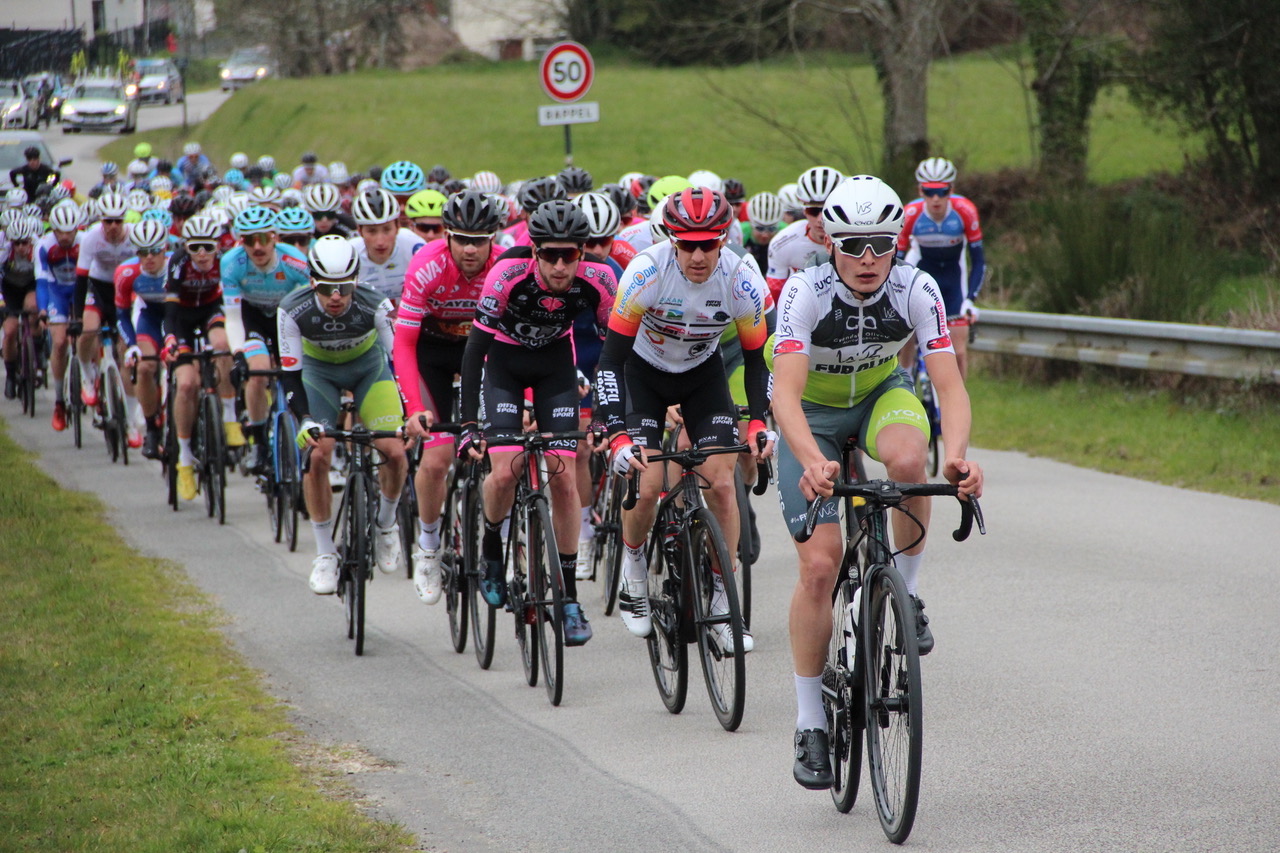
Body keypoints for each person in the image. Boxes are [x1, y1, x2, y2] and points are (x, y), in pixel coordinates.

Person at [767, 175, 983, 789]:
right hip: (811, 416)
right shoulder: (805, 291)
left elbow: (949, 386)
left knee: (912, 461)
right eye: (854, 244)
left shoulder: (917, 287)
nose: (868, 259)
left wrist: (961, 457)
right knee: (820, 566)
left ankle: (907, 593)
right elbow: (783, 396)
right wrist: (811, 459)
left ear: (896, 243)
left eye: (881, 244)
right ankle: (810, 722)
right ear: (831, 243)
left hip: (882, 396)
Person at [594, 188, 773, 652]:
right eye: (687, 244)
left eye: (708, 244)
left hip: (701, 377)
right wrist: (615, 433)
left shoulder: (741, 278)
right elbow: (610, 363)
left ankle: (719, 600)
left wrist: (757, 422)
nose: (698, 255)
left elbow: (757, 362)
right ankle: (633, 570)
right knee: (648, 484)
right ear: (672, 240)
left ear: (723, 240)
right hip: (644, 376)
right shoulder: (646, 274)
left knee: (722, 484)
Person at [457, 200, 617, 646]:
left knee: (564, 478)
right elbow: (474, 352)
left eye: (569, 254)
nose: (561, 265)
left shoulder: (601, 280)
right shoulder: (506, 275)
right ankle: (491, 548)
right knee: (504, 469)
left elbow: (612, 354)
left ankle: (567, 597)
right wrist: (469, 423)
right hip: (504, 366)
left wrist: (606, 416)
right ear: (534, 252)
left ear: (582, 252)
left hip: (554, 370)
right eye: (550, 255)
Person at [279, 236, 408, 593]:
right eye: (325, 287)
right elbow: (289, 374)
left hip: (369, 370)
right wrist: (305, 419)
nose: (335, 296)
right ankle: (325, 554)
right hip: (318, 375)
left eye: (344, 286)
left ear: (356, 279)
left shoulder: (376, 305)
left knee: (394, 450)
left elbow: (400, 362)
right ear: (311, 281)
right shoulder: (292, 308)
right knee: (318, 455)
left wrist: (411, 410)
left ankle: (385, 523)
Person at [395, 190, 505, 604]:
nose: (471, 249)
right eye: (461, 239)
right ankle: (427, 547)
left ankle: (503, 541)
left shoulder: (507, 264)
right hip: (432, 355)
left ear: (494, 237)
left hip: (487, 351)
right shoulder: (426, 265)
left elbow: (520, 343)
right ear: (447, 236)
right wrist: (414, 409)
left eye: (480, 239)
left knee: (503, 448)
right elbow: (403, 344)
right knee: (438, 456)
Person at [221, 206, 311, 473]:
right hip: (253, 318)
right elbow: (234, 317)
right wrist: (238, 354)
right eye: (249, 240)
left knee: (300, 372)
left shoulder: (294, 261)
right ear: (241, 241)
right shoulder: (231, 262)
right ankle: (259, 442)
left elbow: (312, 304)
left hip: (287, 316)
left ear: (275, 237)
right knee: (257, 372)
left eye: (263, 238)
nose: (257, 247)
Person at [161, 215, 239, 501]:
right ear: (186, 247)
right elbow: (168, 311)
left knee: (222, 344)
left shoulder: (226, 261)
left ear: (218, 245)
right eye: (195, 248)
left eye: (208, 246)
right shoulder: (178, 263)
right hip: (180, 318)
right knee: (186, 385)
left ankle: (229, 417)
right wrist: (170, 339)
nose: (203, 254)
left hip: (210, 311)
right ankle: (184, 458)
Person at [898, 157, 985, 378]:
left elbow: (978, 261)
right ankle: (905, 387)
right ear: (920, 191)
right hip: (921, 274)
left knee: (959, 351)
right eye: (929, 192)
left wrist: (971, 299)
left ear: (951, 190)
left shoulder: (965, 211)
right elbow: (895, 259)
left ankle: (959, 406)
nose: (935, 198)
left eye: (942, 191)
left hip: (953, 280)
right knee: (907, 338)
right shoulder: (911, 214)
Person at [114, 219, 172, 457]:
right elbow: (122, 315)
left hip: (175, 315)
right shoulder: (126, 272)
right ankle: (152, 429)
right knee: (146, 367)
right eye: (142, 252)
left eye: (155, 251)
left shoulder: (176, 267)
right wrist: (131, 346)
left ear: (165, 249)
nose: (149, 258)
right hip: (148, 314)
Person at [35, 201, 85, 429]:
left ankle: (92, 380)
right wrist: (43, 309)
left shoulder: (84, 243)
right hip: (56, 293)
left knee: (86, 336)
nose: (65, 236)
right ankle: (58, 400)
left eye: (70, 231)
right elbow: (42, 282)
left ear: (77, 228)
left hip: (79, 291)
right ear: (53, 230)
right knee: (60, 341)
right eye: (60, 231)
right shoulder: (44, 246)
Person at [765, 166, 843, 300]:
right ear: (804, 211)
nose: (821, 219)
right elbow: (774, 300)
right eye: (813, 211)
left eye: (827, 211)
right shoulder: (782, 243)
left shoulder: (858, 239)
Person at [348, 187, 425, 305]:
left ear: (398, 227)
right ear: (359, 231)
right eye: (372, 231)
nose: (380, 241)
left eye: (387, 230)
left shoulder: (413, 246)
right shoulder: (348, 254)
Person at [1, 216, 40, 399]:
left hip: (30, 286)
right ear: (11, 243)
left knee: (32, 308)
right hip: (9, 290)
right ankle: (10, 375)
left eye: (25, 243)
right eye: (17, 244)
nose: (22, 248)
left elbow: (44, 277)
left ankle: (37, 355)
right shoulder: (4, 254)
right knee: (9, 331)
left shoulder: (38, 250)